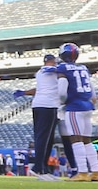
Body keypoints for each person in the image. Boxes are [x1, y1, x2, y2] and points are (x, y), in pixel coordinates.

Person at [53, 42, 98, 182]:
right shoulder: (83, 68)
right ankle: (96, 172)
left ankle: (82, 172)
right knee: (87, 140)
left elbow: (62, 91)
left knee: (75, 139)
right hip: (87, 105)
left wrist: (63, 102)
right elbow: (93, 93)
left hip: (74, 106)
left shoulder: (62, 68)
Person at [14, 52, 67, 180]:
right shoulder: (49, 70)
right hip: (47, 106)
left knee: (49, 139)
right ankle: (37, 168)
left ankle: (43, 167)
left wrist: (25, 92)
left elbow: (40, 89)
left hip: (41, 104)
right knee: (43, 138)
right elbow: (51, 70)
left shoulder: (41, 73)